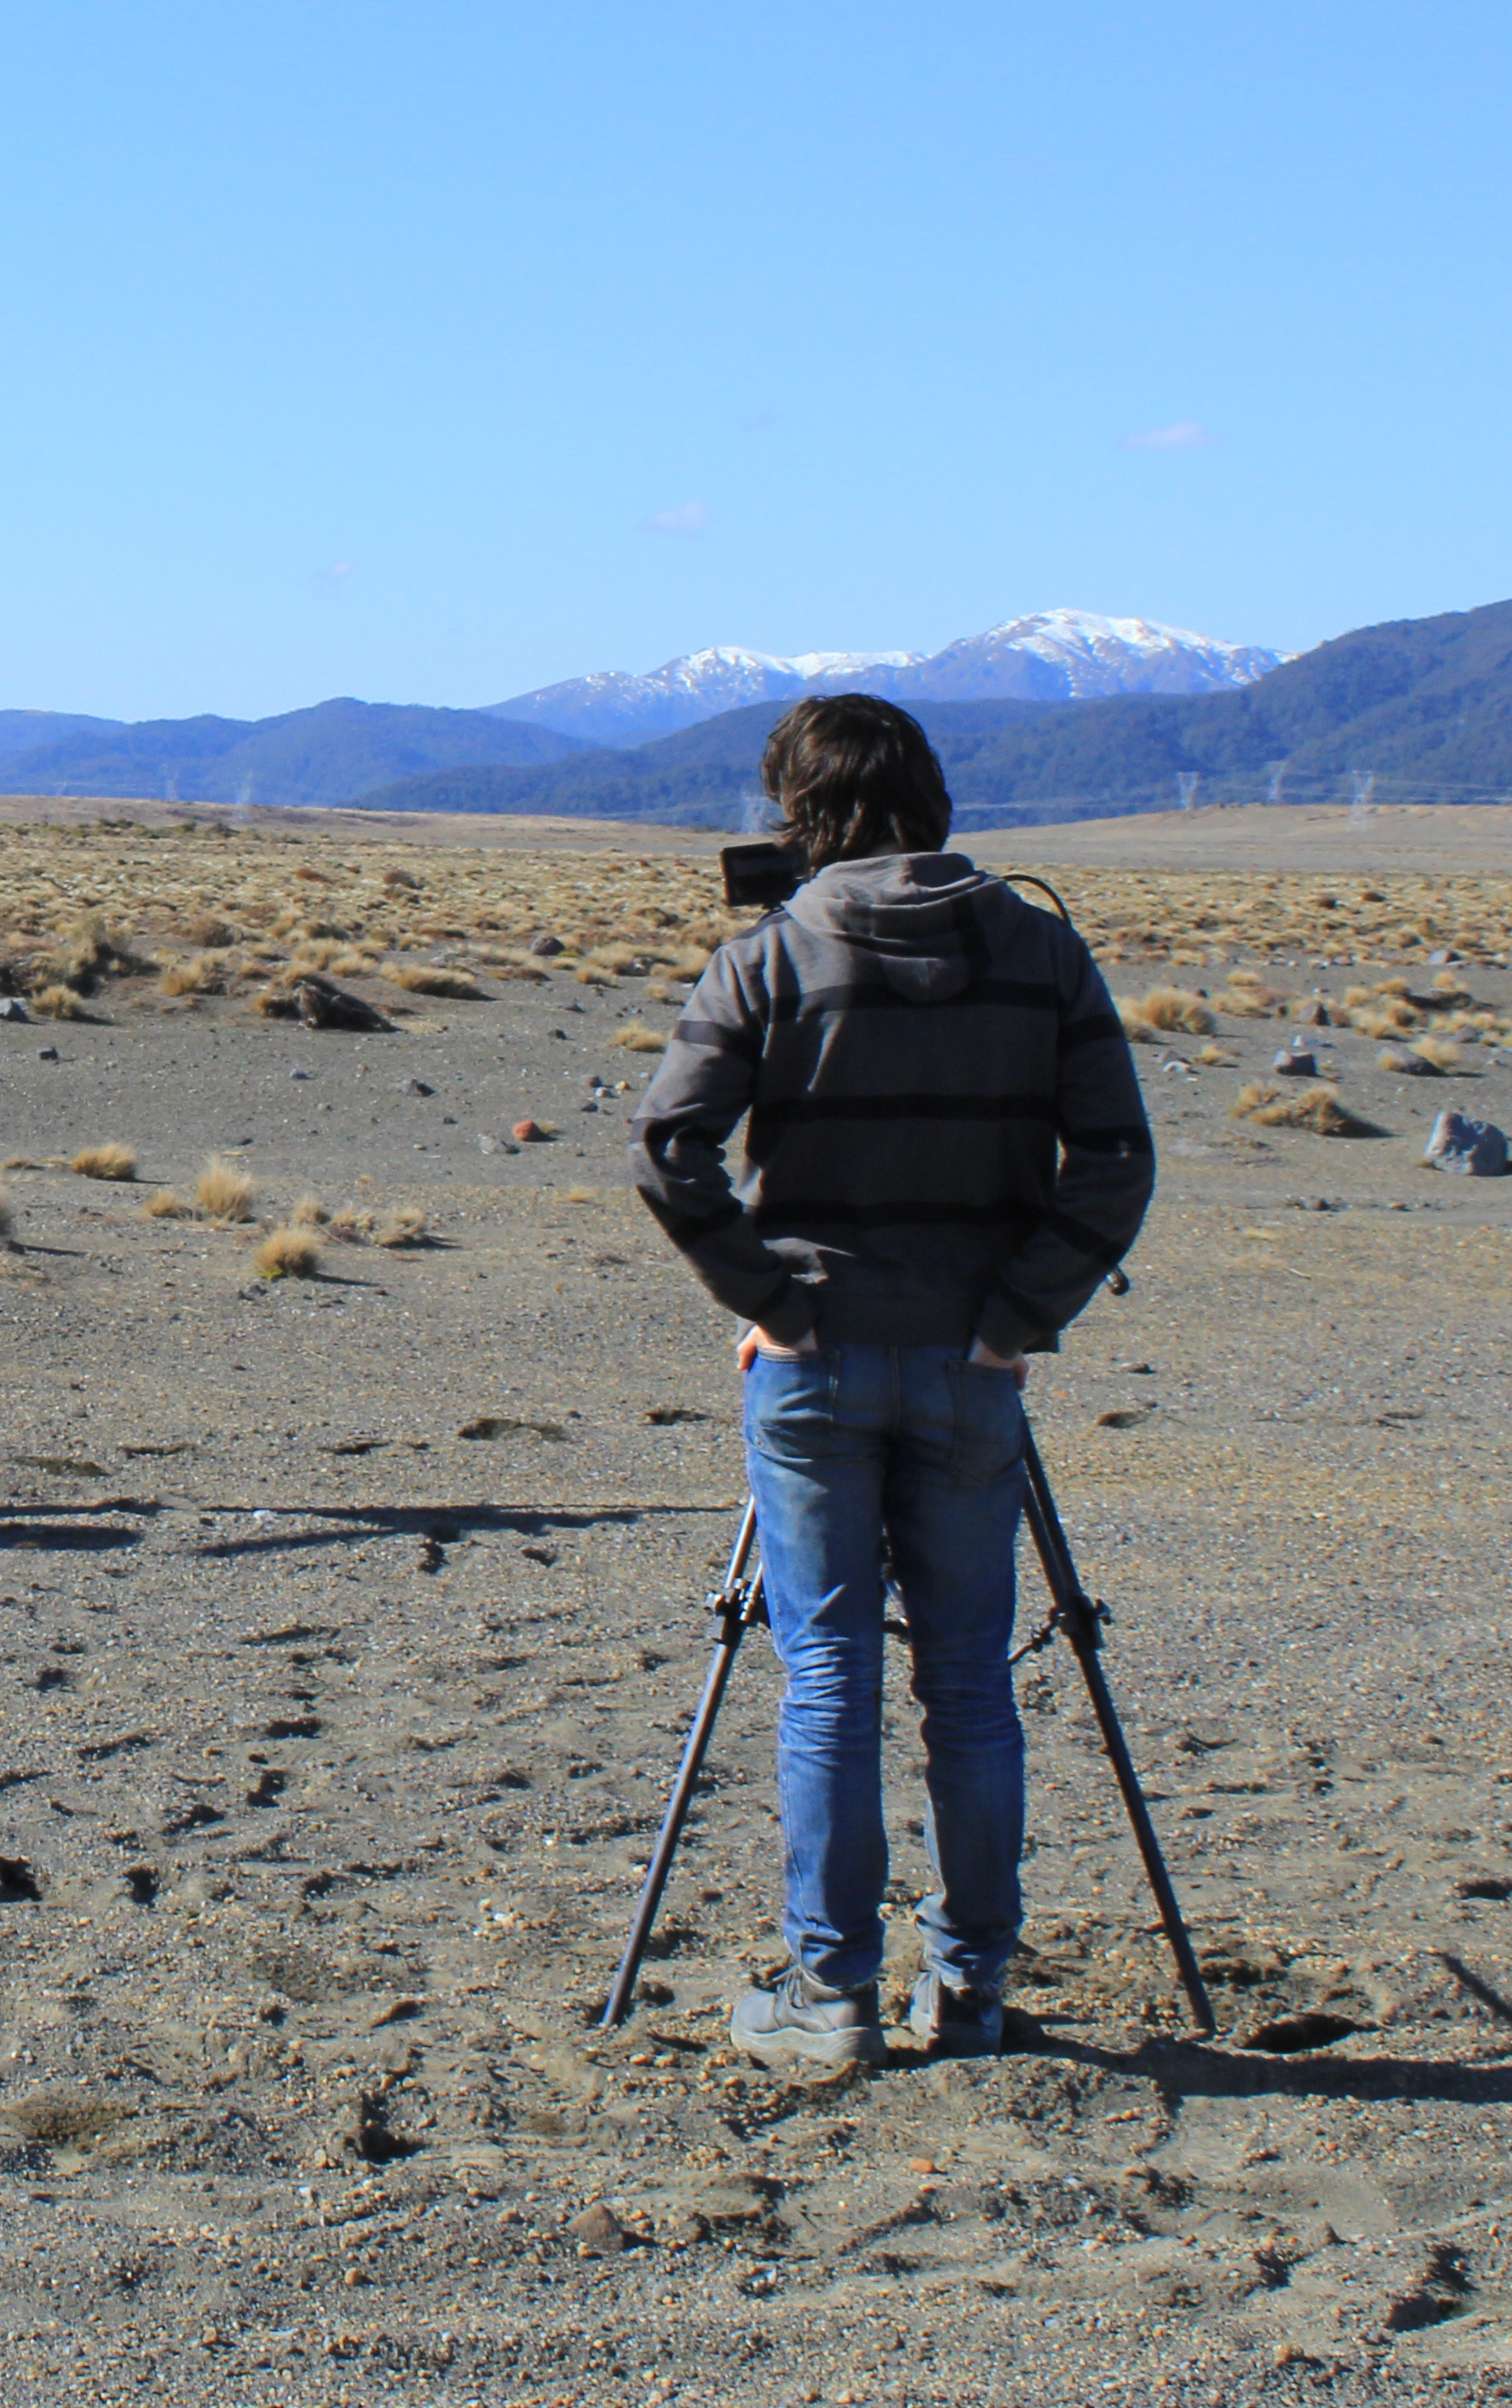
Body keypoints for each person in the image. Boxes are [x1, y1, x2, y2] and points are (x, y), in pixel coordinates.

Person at [629, 694, 1156, 2066]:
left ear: (802, 812)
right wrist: (1021, 1313)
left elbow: (667, 1149)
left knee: (827, 1678)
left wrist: (767, 1299)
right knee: (969, 1684)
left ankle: (832, 1994)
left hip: (814, 1364)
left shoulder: (773, 956)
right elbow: (1116, 1158)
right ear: (930, 795)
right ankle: (971, 1992)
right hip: (970, 1363)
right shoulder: (1042, 952)